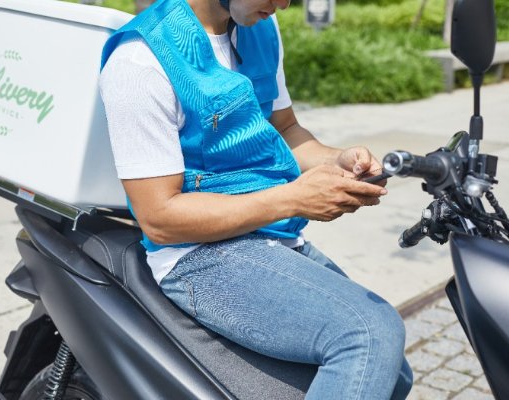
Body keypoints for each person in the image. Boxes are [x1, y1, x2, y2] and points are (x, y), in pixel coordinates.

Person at [99, 0, 413, 397]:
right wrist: (294, 199)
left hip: (271, 232)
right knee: (369, 333)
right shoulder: (140, 62)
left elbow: (286, 130)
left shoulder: (259, 29)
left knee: (394, 373)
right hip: (197, 255)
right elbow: (159, 218)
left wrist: (336, 160)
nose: (284, 4)